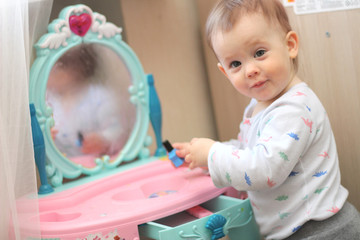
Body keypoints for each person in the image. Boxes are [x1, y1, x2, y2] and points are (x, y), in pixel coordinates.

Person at [174, 0, 360, 239]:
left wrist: (213, 154)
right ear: (224, 72)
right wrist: (203, 156)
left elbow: (264, 169)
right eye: (236, 64)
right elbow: (249, 150)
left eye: (259, 53)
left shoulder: (294, 108)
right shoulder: (259, 105)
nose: (249, 69)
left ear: (290, 45)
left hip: (323, 231)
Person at [47, 44, 125, 158]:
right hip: (64, 168)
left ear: (75, 71)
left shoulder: (99, 97)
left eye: (57, 70)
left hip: (99, 163)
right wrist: (48, 138)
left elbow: (118, 130)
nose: (51, 77)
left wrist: (104, 140)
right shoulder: (49, 100)